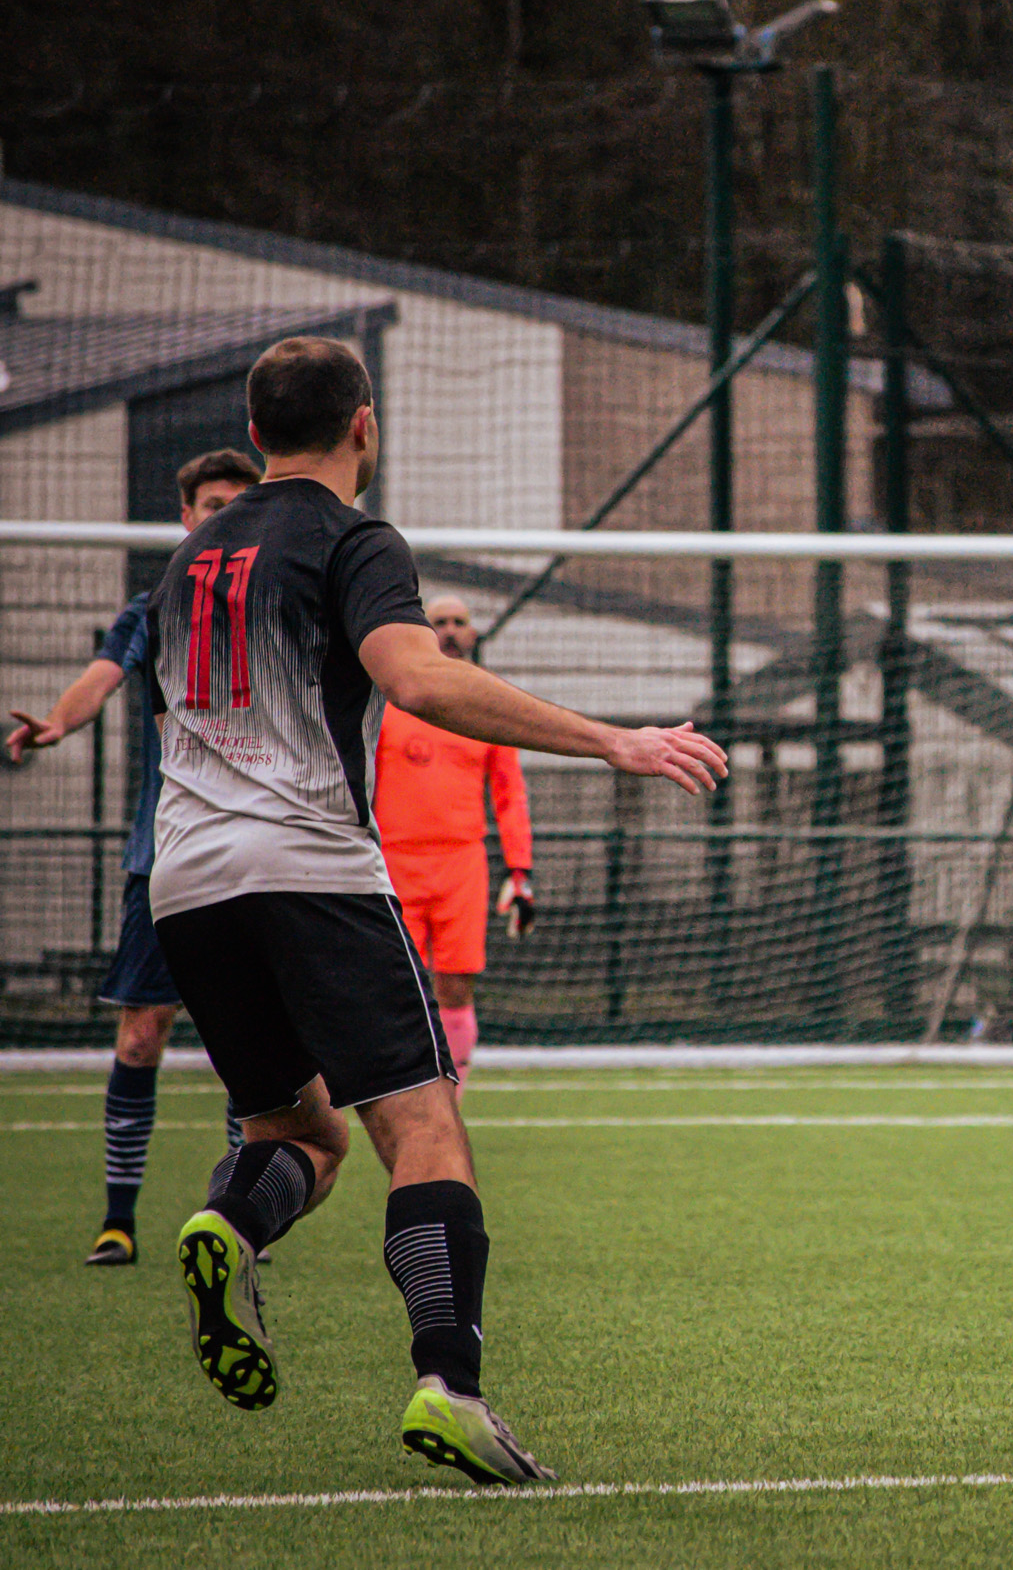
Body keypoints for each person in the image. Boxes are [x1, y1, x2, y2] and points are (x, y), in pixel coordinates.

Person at [143, 336, 726, 1483]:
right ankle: (448, 1384)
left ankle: (233, 1224)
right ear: (366, 424)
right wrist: (613, 736)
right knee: (422, 1127)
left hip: (188, 883)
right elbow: (419, 676)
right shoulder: (352, 537)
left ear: (255, 435)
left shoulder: (188, 555)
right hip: (311, 866)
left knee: (297, 1133)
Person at [8, 448, 263, 1266]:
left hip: (259, 857)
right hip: (166, 859)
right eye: (211, 502)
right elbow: (102, 674)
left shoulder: (278, 606)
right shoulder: (152, 608)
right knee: (141, 1035)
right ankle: (119, 1219)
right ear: (185, 516)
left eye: (238, 503)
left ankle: (236, 1219)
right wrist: (56, 722)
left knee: (246, 1049)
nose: (222, 514)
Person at [374, 596, 534, 1095]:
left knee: (456, 983)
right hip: (394, 860)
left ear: (472, 634)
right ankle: (402, 1086)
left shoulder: (489, 707)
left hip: (461, 861)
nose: (448, 630)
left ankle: (452, 1092)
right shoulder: (388, 702)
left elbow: (509, 796)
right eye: (437, 621)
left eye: (458, 622)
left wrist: (520, 871)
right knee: (399, 986)